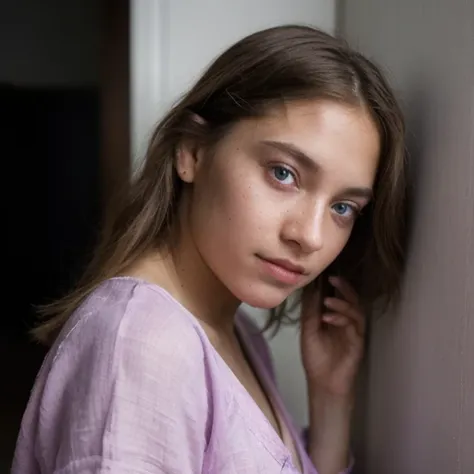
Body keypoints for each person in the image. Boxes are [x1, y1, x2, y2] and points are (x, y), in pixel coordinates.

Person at [12, 25, 407, 474]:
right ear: (193, 152)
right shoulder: (142, 345)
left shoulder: (239, 336)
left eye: (343, 207)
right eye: (283, 173)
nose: (311, 236)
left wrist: (331, 398)